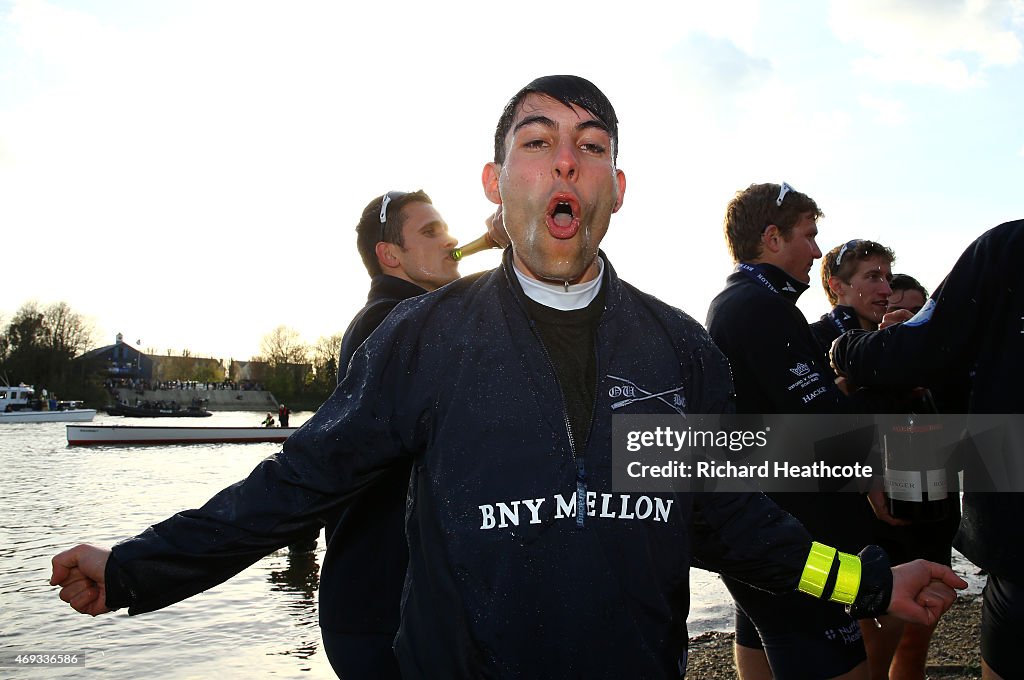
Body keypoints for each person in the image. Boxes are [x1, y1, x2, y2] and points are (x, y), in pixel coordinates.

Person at [50, 76, 964, 678]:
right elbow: (297, 483)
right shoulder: (422, 341)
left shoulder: (680, 352)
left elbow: (738, 527)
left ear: (615, 188)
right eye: (538, 141)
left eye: (592, 144)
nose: (566, 158)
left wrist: (875, 584)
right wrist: (136, 569)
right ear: (495, 183)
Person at [706, 185, 890, 680]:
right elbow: (819, 418)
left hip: (759, 527)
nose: (814, 251)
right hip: (798, 533)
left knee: (762, 631)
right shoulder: (759, 306)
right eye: (808, 237)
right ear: (771, 238)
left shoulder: (738, 301)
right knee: (838, 656)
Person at [832, 220, 1024, 680]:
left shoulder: (1005, 252)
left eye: (886, 274)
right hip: (879, 520)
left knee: (919, 631)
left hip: (944, 513)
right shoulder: (817, 336)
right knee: (876, 636)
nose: (883, 287)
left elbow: (938, 373)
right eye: (872, 276)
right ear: (839, 286)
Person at [321, 189, 458, 679]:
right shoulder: (394, 322)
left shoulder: (397, 319)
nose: (451, 239)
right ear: (390, 255)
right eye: (430, 231)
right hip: (381, 614)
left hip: (382, 605)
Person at [809, 239, 895, 354]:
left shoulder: (891, 341)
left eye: (888, 279)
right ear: (837, 286)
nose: (887, 290)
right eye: (873, 277)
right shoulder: (809, 340)